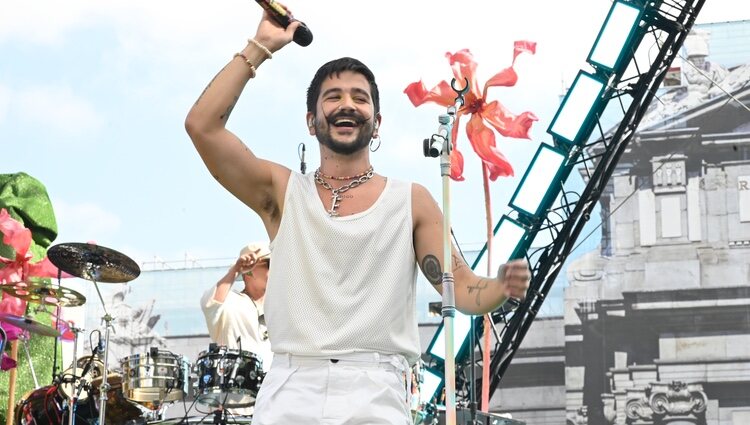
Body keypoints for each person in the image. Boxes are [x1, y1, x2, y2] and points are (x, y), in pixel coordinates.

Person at [184, 5, 531, 424]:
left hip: (376, 390)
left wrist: (500, 288)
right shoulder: (282, 192)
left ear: (377, 122)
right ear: (311, 122)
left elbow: (462, 287)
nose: (346, 105)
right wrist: (260, 47)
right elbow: (202, 126)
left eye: (359, 97)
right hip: (290, 387)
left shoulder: (411, 200)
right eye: (333, 97)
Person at [199, 243, 273, 416]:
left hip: (272, 406)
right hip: (234, 409)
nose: (275, 269)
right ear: (249, 271)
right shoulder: (231, 302)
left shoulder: (279, 307)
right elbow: (209, 303)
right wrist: (236, 269)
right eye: (269, 264)